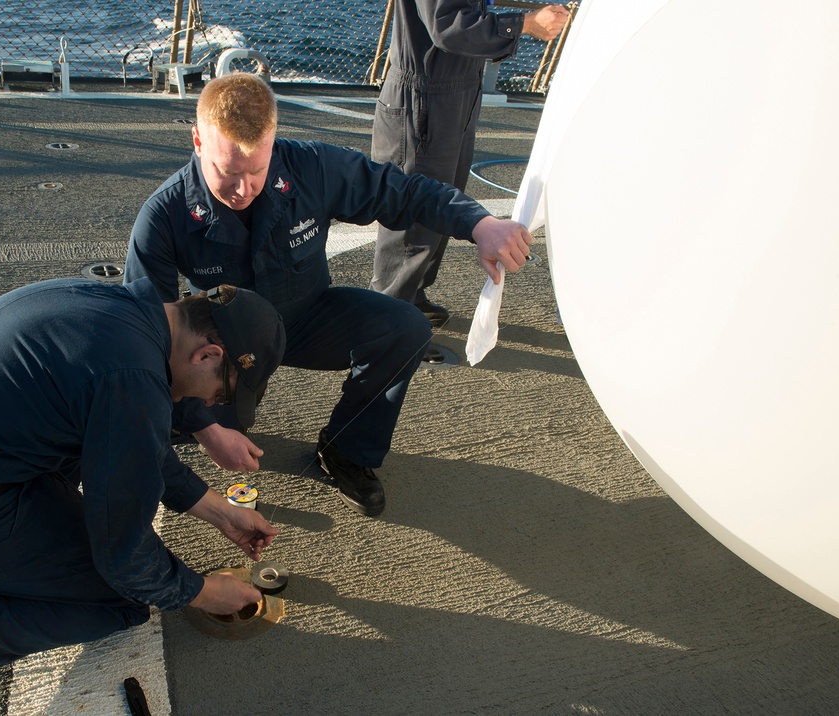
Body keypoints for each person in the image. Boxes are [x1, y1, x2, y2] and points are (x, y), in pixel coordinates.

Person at [0, 277, 285, 716]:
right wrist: (201, 591)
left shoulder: (123, 309)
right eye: (221, 394)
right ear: (209, 355)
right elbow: (127, 561)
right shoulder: (133, 378)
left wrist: (219, 511)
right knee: (127, 595)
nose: (210, 404)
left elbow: (130, 437)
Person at [124, 72, 533, 518]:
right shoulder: (162, 216)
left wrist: (480, 224)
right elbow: (146, 334)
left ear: (273, 143)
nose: (243, 189)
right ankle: (208, 421)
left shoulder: (311, 167)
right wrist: (203, 428)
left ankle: (345, 450)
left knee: (405, 328)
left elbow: (403, 192)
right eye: (228, 172)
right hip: (227, 345)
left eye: (257, 171)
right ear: (198, 142)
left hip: (305, 315)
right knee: (194, 425)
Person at [370, 0, 570, 339]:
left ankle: (411, 299)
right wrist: (523, 24)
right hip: (425, 96)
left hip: (456, 91)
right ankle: (388, 327)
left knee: (443, 204)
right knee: (415, 216)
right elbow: (447, 25)